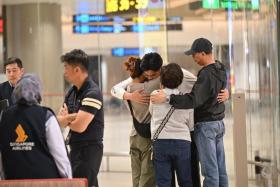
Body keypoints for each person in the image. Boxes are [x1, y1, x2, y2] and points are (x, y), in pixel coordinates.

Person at [151, 38, 229, 187]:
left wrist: (167, 97)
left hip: (206, 125)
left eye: (195, 54)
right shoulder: (220, 68)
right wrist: (227, 93)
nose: (193, 58)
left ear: (203, 53)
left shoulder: (205, 74)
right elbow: (217, 91)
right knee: (221, 169)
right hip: (219, 123)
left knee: (210, 171)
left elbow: (193, 100)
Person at [0, 74, 72, 179]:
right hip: (45, 180)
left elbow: (2, 153)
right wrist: (68, 180)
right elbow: (59, 154)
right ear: (38, 93)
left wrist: (4, 179)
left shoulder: (4, 116)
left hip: (14, 179)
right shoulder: (46, 116)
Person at [57, 49, 104, 187]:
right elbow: (59, 120)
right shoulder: (71, 92)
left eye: (66, 68)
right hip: (75, 148)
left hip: (89, 150)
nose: (64, 72)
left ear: (77, 70)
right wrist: (74, 117)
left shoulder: (93, 92)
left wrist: (67, 119)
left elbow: (80, 126)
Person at [149, 63, 194, 187]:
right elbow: (191, 125)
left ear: (161, 79)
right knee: (185, 181)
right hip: (182, 142)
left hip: (160, 142)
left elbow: (151, 113)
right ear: (180, 80)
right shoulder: (186, 99)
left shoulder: (155, 94)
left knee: (163, 183)